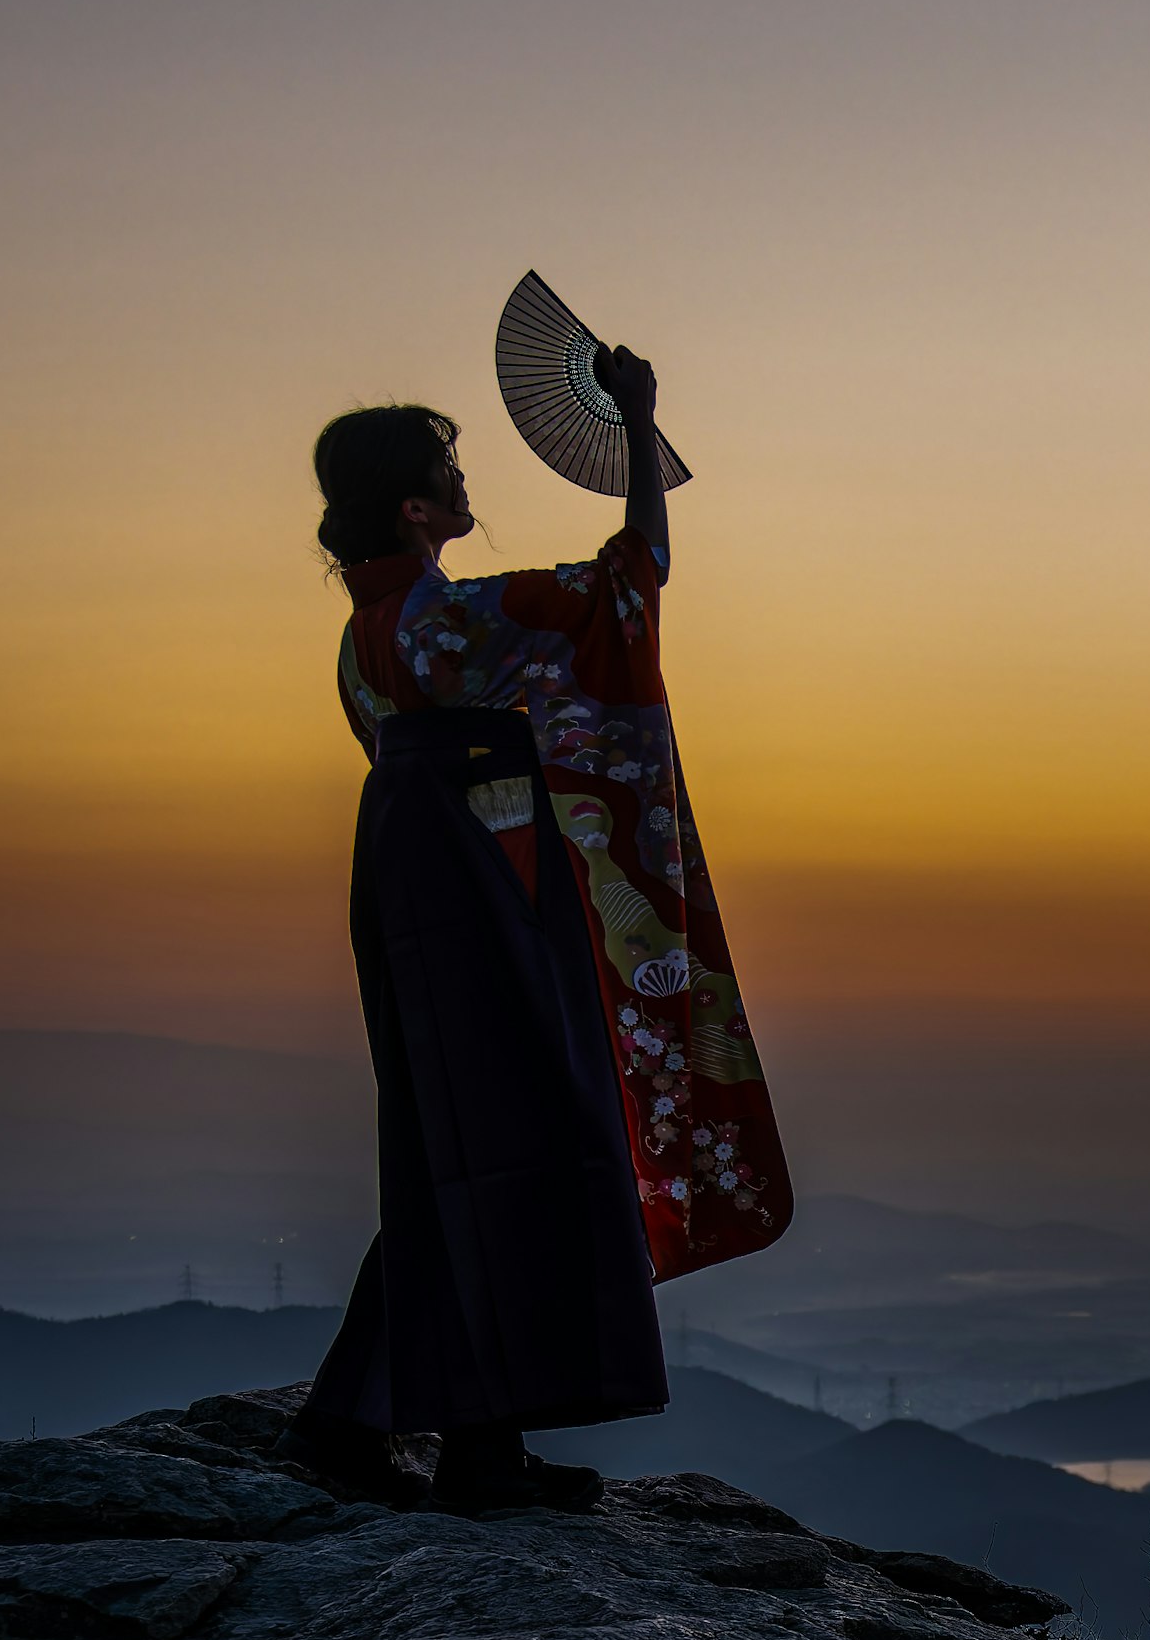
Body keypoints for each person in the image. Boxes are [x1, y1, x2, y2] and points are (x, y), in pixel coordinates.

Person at [295, 347, 790, 1508]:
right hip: (490, 893)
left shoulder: (368, 641)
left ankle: (369, 1423)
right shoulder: (459, 621)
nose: (468, 481)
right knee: (528, 1138)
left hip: (413, 891)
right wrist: (639, 427)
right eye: (450, 467)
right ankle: (473, 1450)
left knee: (449, 1158)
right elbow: (632, 582)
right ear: (416, 509)